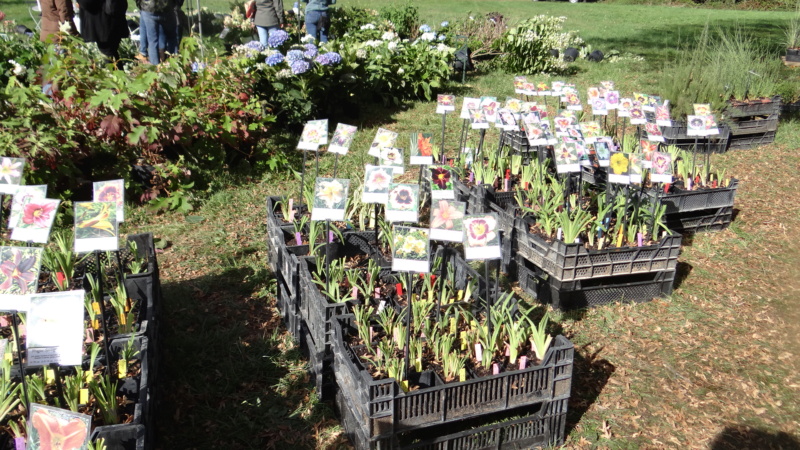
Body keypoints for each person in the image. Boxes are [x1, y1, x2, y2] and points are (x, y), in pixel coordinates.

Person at [136, 0, 177, 65]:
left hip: (148, 8)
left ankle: (155, 68)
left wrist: (140, 5)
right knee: (171, 38)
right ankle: (173, 64)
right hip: (166, 8)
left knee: (152, 41)